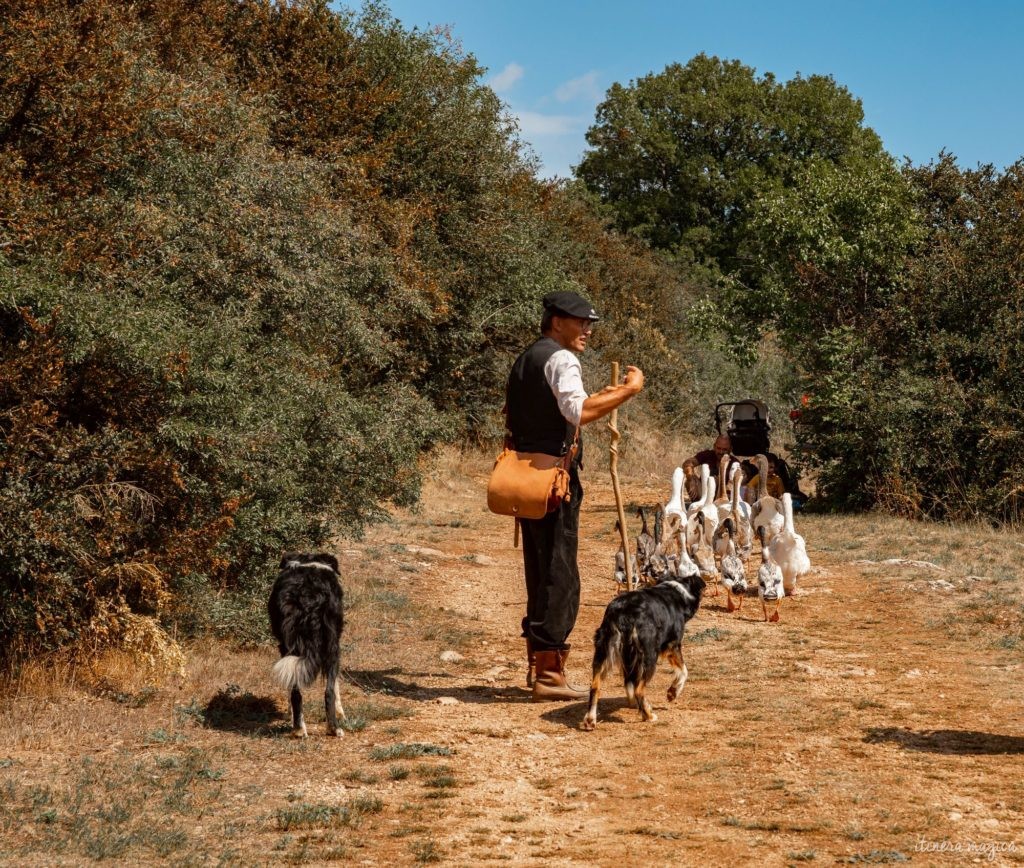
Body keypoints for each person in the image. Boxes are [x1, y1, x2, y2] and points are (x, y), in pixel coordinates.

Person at [505, 290, 644, 702]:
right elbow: (577, 412)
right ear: (556, 321)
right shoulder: (562, 358)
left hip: (525, 477)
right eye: (581, 321)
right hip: (555, 481)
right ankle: (550, 675)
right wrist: (630, 390)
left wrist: (605, 395)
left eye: (590, 323)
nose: (587, 329)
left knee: (539, 567)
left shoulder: (527, 357)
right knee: (561, 573)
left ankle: (541, 666)